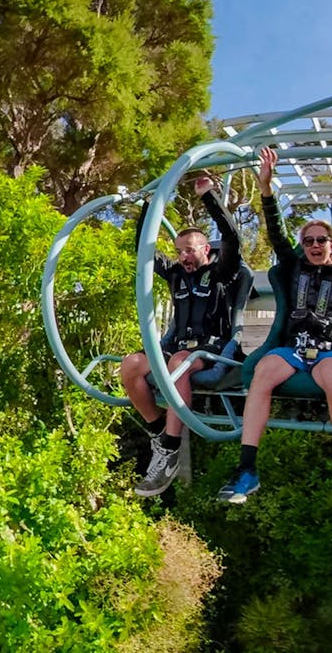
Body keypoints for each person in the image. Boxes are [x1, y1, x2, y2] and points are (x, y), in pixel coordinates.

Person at [220, 146, 332, 504]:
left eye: (321, 240)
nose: (314, 245)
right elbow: (275, 234)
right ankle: (247, 468)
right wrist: (266, 189)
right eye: (309, 240)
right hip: (293, 348)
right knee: (263, 373)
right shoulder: (293, 266)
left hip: (330, 348)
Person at [120, 173, 244, 497]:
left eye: (190, 250)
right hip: (177, 349)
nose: (185, 257)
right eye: (180, 252)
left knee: (178, 362)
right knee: (131, 364)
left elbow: (232, 238)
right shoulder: (176, 274)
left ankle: (171, 449)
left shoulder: (221, 273)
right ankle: (159, 430)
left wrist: (208, 197)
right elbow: (143, 251)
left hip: (210, 351)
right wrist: (150, 205)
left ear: (205, 249)